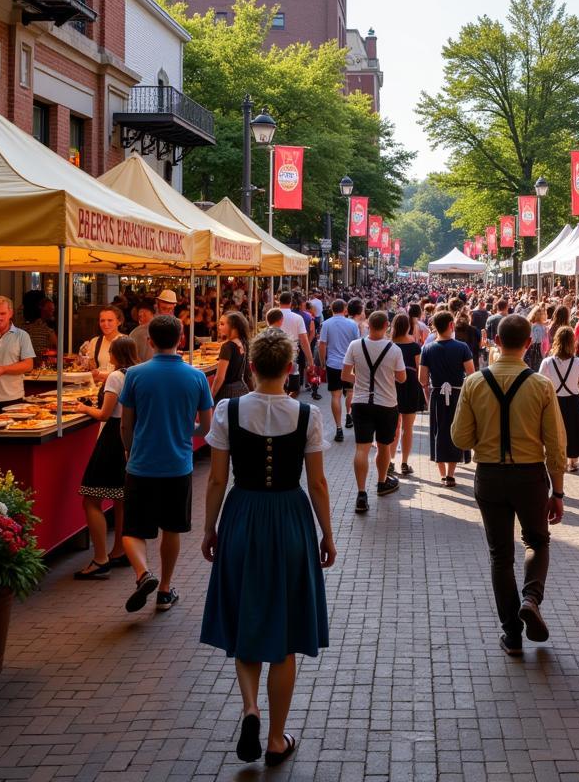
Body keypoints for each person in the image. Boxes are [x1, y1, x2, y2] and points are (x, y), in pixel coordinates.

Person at [200, 328, 334, 767]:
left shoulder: (228, 410)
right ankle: (276, 738)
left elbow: (217, 478)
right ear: (290, 368)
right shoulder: (307, 416)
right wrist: (327, 533)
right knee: (287, 630)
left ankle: (250, 708)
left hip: (243, 515)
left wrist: (209, 527)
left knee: (246, 618)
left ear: (252, 366)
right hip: (290, 518)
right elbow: (316, 482)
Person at [451, 314, 566, 656]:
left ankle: (512, 634)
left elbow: (459, 436)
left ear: (494, 341)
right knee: (536, 540)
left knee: (500, 555)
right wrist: (557, 492)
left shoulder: (474, 383)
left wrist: (484, 437)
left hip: (489, 475)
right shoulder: (541, 385)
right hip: (529, 475)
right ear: (529, 343)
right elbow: (556, 445)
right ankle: (531, 598)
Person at [119, 315, 214, 614]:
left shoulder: (134, 375)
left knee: (133, 528)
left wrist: (130, 450)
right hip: (178, 463)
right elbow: (205, 427)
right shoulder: (196, 377)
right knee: (171, 528)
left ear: (149, 341)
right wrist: (186, 433)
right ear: (181, 339)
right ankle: (164, 589)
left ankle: (143, 573)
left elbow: (125, 425)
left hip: (141, 462)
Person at [72, 336, 140, 579]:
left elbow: (104, 414)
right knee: (121, 497)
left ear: (116, 353)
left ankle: (100, 558)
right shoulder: (137, 374)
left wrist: (83, 408)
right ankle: (119, 550)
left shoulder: (115, 377)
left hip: (112, 437)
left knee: (91, 496)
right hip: (130, 438)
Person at [341, 310, 406, 514]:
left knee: (362, 448)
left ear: (368, 324)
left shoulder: (355, 345)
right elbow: (402, 378)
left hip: (360, 402)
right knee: (384, 446)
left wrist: (361, 381)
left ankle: (361, 494)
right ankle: (381, 482)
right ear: (387, 325)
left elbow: (345, 374)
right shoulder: (394, 349)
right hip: (386, 404)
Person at [419, 311, 475, 487]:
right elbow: (472, 374)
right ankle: (451, 474)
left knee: (439, 430)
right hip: (458, 394)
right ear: (451, 325)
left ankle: (442, 474)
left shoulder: (427, 349)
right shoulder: (462, 347)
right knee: (456, 429)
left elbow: (422, 379)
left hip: (437, 395)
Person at [539, 327, 579, 473]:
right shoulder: (578, 362)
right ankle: (573, 462)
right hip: (573, 400)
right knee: (574, 431)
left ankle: (555, 458)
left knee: (554, 431)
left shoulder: (547, 362)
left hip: (554, 400)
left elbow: (541, 383)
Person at [318, 299, 361, 444]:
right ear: (345, 309)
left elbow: (322, 344)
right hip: (349, 364)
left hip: (333, 364)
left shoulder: (326, 324)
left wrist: (323, 361)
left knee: (335, 396)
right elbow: (357, 344)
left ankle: (338, 428)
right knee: (350, 392)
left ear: (331, 309)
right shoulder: (352, 324)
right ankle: (349, 415)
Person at [391, 313, 423, 477]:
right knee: (407, 428)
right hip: (410, 386)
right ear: (408, 327)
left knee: (393, 426)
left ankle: (389, 461)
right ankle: (404, 462)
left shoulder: (389, 345)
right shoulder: (414, 347)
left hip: (392, 386)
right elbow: (419, 369)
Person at [277, 292, 314, 398]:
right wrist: (310, 361)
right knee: (293, 390)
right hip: (292, 355)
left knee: (278, 388)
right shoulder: (297, 318)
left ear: (279, 301)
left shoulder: (273, 314)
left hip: (276, 355)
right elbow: (304, 341)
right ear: (291, 303)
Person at [210, 312, 253, 402]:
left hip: (227, 393)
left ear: (233, 327)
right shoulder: (243, 342)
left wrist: (210, 397)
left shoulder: (227, 347)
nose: (219, 327)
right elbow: (247, 373)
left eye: (222, 324)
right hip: (242, 390)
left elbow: (220, 377)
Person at [80, 305, 127, 384]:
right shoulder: (95, 341)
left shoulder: (125, 341)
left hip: (116, 388)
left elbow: (125, 372)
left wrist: (99, 374)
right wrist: (83, 362)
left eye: (110, 320)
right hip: (96, 388)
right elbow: (91, 367)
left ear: (119, 322)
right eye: (102, 321)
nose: (106, 324)